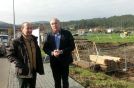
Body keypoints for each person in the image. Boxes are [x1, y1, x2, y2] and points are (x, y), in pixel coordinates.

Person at [7, 22, 44, 88]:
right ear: (22, 29)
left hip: (33, 71)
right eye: (27, 28)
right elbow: (10, 55)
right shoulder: (16, 41)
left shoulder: (34, 40)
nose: (30, 30)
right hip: (23, 72)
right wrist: (20, 64)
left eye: (31, 28)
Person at [43, 18, 75, 88]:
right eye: (52, 24)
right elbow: (45, 48)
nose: (54, 25)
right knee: (57, 81)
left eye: (56, 23)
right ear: (50, 25)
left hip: (65, 61)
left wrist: (62, 51)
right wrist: (52, 53)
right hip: (54, 62)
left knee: (65, 81)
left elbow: (72, 46)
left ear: (59, 23)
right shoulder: (49, 35)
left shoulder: (67, 33)